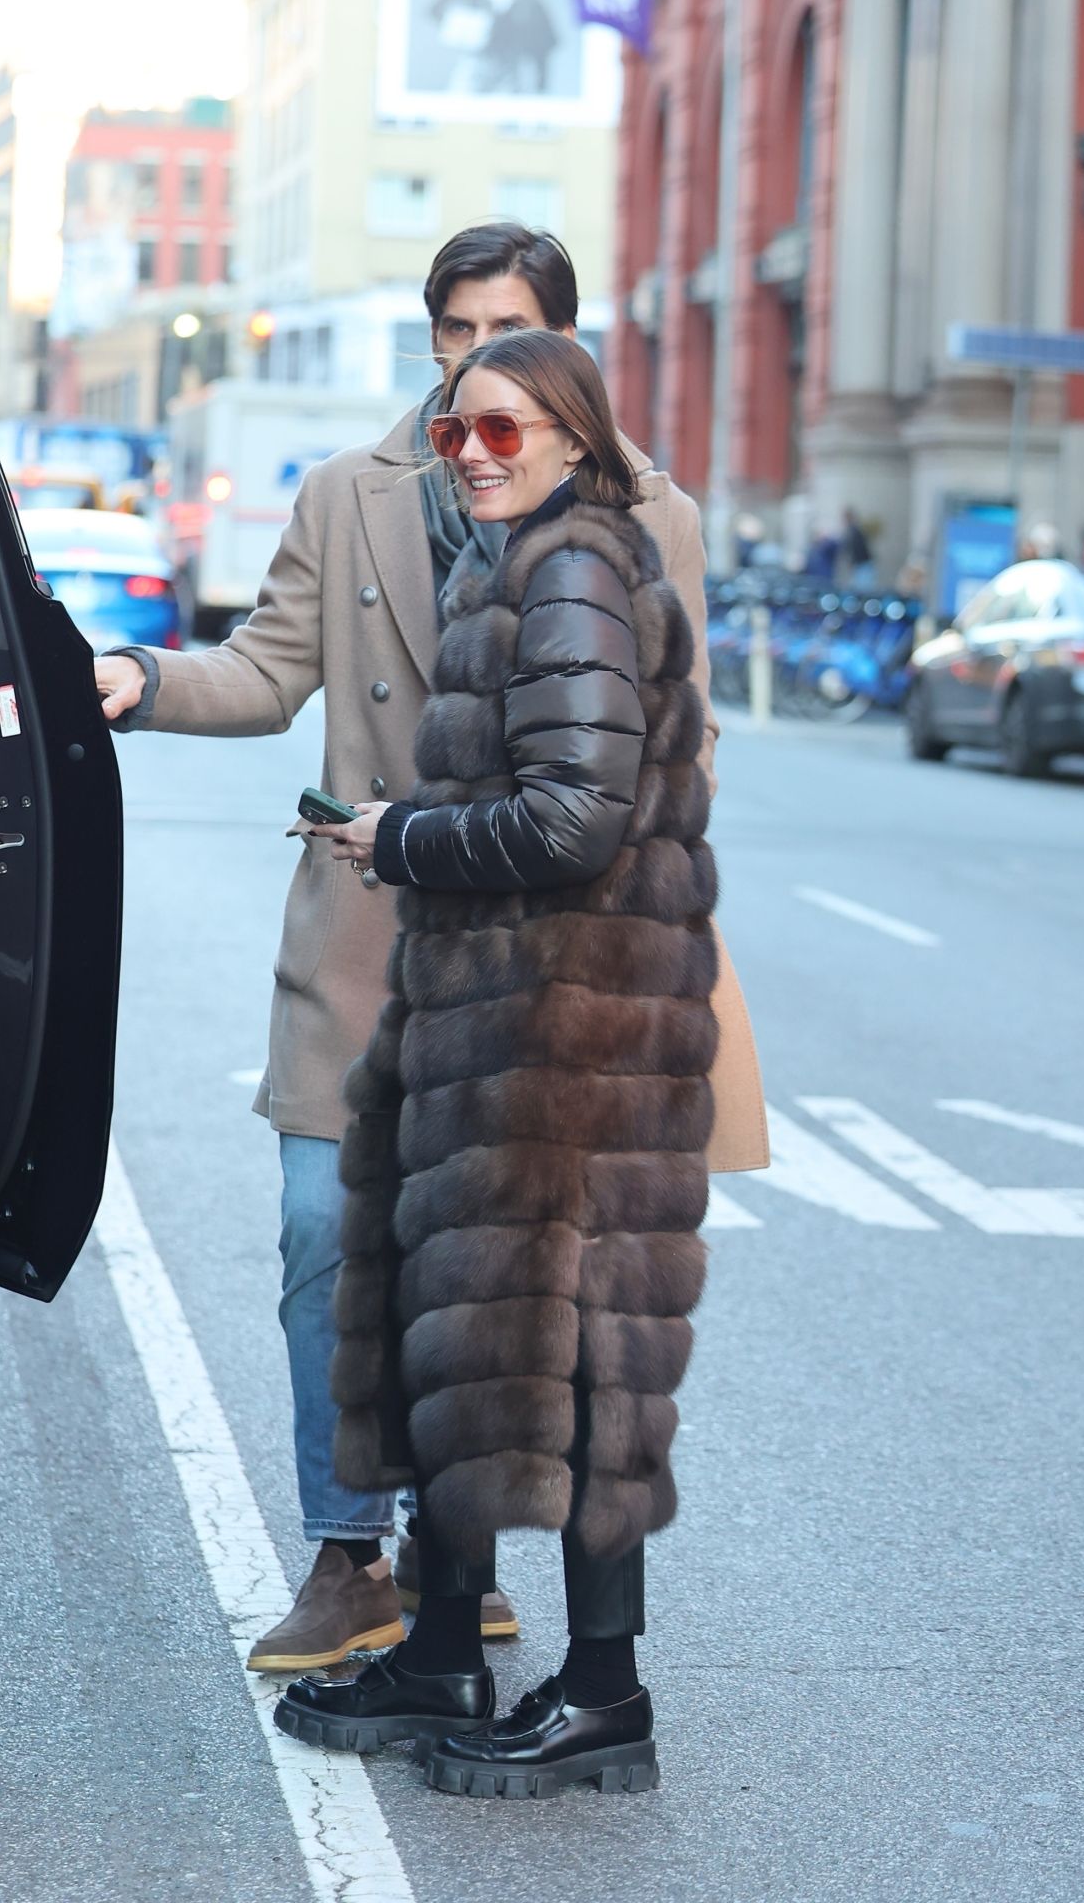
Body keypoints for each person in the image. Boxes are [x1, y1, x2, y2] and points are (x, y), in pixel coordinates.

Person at [93, 225, 768, 1680]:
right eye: (453, 329)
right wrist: (132, 679)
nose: (471, 360)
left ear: (566, 356)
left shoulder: (655, 516)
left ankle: (463, 1583)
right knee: (327, 1231)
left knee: (534, 1276)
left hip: (541, 958)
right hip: (373, 943)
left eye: (505, 329)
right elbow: (267, 670)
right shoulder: (354, 494)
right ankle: (356, 1560)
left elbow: (674, 737)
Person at [271, 329, 735, 1798]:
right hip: (497, 1023)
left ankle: (604, 1697)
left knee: (581, 1359)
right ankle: (443, 1651)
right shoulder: (515, 561)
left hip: (566, 1040)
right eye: (461, 430)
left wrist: (393, 838)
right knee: (460, 1332)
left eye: (510, 430)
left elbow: (576, 818)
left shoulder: (576, 569)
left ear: (578, 440)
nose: (477, 452)